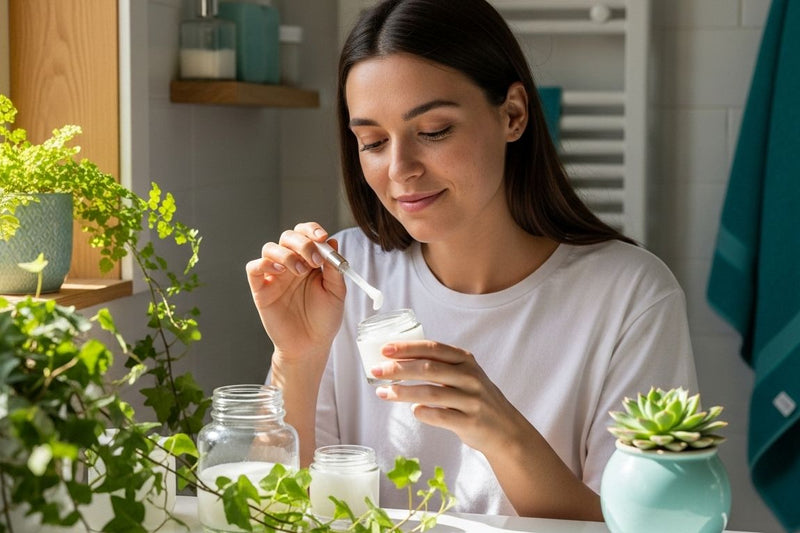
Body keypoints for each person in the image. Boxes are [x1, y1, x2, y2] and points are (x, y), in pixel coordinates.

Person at [246, 0, 697, 521]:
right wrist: (295, 360)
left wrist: (500, 431)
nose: (400, 169)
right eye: (371, 141)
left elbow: (639, 528)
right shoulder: (341, 279)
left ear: (513, 115)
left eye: (434, 131)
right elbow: (276, 513)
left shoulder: (630, 296)